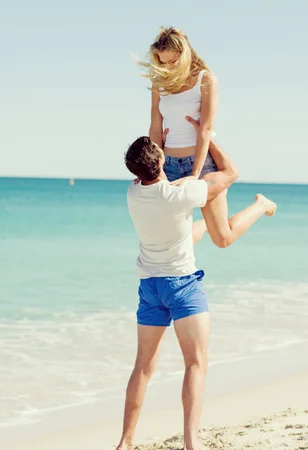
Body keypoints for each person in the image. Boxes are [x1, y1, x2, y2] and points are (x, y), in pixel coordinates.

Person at [117, 117, 276, 450]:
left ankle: (126, 442)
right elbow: (231, 174)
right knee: (195, 363)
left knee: (143, 367)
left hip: (150, 287)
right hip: (182, 287)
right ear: (161, 163)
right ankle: (192, 443)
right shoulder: (182, 194)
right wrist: (209, 136)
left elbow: (156, 181)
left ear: (135, 173)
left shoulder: (134, 194)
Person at [138, 26, 270, 249]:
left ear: (184, 55)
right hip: (167, 165)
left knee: (222, 239)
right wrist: (152, 169)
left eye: (172, 62)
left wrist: (195, 175)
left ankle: (261, 204)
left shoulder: (206, 79)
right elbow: (155, 126)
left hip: (201, 165)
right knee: (174, 241)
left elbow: (206, 129)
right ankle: (204, 225)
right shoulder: (159, 83)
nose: (167, 67)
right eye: (163, 62)